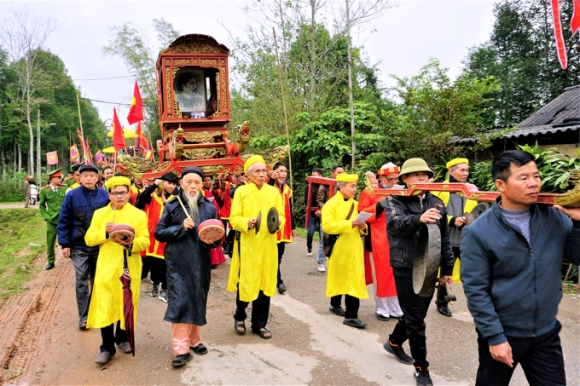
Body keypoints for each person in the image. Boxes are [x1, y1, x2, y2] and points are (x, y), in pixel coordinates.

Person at [461, 150, 580, 386]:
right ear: (500, 185)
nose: (534, 183)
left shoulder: (555, 218)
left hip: (545, 332)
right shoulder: (479, 232)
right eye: (523, 177)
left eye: (536, 176)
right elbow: (476, 290)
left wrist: (578, 222)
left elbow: (576, 257)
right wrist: (494, 337)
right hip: (503, 333)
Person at [382, 158, 454, 386]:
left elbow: (444, 239)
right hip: (405, 266)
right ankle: (422, 368)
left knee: (418, 314)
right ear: (404, 179)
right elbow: (395, 224)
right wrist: (418, 219)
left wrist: (447, 269)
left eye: (426, 174)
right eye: (416, 175)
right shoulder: (394, 199)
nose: (422, 178)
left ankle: (394, 341)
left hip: (430, 267)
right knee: (416, 319)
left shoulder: (438, 202)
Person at [155, 166, 220, 367]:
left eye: (197, 182)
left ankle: (194, 340)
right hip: (178, 263)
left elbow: (217, 236)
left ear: (202, 185)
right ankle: (181, 348)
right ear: (181, 183)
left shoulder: (210, 207)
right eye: (189, 182)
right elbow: (159, 233)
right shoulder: (172, 206)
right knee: (181, 302)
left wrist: (213, 241)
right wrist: (180, 228)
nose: (193, 186)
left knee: (198, 299)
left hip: (201, 262)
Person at [85, 176, 149, 365]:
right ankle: (106, 347)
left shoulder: (139, 215)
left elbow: (145, 240)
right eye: (115, 193)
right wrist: (104, 232)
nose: (120, 196)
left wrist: (131, 243)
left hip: (129, 265)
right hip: (107, 266)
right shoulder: (99, 215)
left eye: (123, 192)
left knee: (126, 303)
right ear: (109, 194)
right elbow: (89, 239)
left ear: (129, 194)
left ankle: (122, 338)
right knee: (105, 304)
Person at [227, 155, 285, 339]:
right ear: (249, 175)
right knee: (247, 281)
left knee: (265, 282)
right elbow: (234, 219)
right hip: (248, 244)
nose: (261, 175)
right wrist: (247, 222)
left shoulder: (273, 192)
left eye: (263, 171)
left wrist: (278, 223)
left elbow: (281, 215)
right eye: (257, 172)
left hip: (268, 244)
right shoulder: (241, 192)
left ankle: (260, 324)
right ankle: (240, 315)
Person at [57, 164, 109, 330]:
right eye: (84, 175)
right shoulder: (72, 196)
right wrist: (65, 244)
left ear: (97, 178)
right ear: (79, 177)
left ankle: (96, 312)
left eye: (91, 176)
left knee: (98, 281)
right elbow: (64, 220)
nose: (88, 178)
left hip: (100, 245)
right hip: (79, 246)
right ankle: (84, 316)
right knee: (81, 280)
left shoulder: (105, 196)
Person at [432, 157, 478, 317]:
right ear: (451, 171)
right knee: (445, 272)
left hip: (466, 238)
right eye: (462, 170)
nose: (466, 173)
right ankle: (442, 303)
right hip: (447, 238)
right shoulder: (440, 190)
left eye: (467, 170)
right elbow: (434, 212)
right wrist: (451, 219)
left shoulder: (471, 189)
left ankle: (479, 304)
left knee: (474, 271)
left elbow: (478, 210)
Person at [322, 172, 369, 329]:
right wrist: (349, 224)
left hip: (355, 248)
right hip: (339, 248)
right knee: (339, 277)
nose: (355, 189)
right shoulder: (330, 205)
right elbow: (327, 226)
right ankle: (336, 305)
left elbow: (362, 228)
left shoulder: (357, 205)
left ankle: (351, 315)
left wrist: (363, 227)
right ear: (342, 188)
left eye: (356, 186)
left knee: (352, 281)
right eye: (352, 186)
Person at [359, 163, 402, 321]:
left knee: (396, 274)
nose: (394, 182)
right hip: (377, 239)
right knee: (380, 275)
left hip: (397, 237)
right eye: (391, 179)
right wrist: (379, 205)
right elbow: (361, 213)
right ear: (381, 177)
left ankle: (396, 307)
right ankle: (382, 308)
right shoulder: (369, 191)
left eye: (396, 178)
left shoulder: (400, 190)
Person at [134, 172, 178, 302]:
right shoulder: (151, 197)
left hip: (168, 236)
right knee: (154, 264)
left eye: (174, 184)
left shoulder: (176, 199)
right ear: (162, 182)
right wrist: (153, 186)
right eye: (169, 183)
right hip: (152, 237)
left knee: (167, 264)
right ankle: (155, 284)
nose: (171, 186)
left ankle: (164, 290)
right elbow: (139, 202)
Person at [269, 162, 296, 294]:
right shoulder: (268, 186)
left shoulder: (287, 189)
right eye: (280, 171)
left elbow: (290, 209)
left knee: (279, 256)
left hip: (284, 227)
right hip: (271, 226)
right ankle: (278, 281)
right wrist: (271, 180)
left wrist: (293, 227)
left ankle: (274, 276)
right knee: (273, 255)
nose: (283, 173)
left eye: (285, 171)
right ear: (274, 172)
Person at [316, 166, 344, 272]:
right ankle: (321, 261)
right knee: (324, 239)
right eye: (338, 172)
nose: (341, 174)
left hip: (340, 218)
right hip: (327, 217)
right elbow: (319, 201)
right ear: (333, 173)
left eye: (342, 172)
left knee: (339, 240)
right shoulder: (325, 185)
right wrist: (328, 210)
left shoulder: (344, 186)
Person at [39, 169, 67, 270]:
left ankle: (73, 256)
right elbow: (41, 206)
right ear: (52, 178)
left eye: (61, 177)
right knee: (50, 242)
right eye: (59, 177)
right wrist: (46, 217)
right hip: (52, 220)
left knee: (69, 238)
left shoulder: (64, 189)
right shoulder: (44, 190)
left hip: (64, 219)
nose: (61, 179)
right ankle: (51, 261)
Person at [202, 174, 226, 268]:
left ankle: (214, 260)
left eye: (209, 180)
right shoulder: (204, 192)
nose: (207, 182)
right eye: (205, 180)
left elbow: (217, 204)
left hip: (211, 217)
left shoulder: (209, 192)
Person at [305, 168, 323, 258]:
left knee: (322, 234)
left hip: (322, 213)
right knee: (310, 232)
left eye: (315, 176)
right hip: (312, 213)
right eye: (312, 175)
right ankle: (309, 247)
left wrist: (321, 210)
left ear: (320, 176)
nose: (313, 177)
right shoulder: (308, 187)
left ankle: (321, 252)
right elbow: (306, 201)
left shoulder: (325, 186)